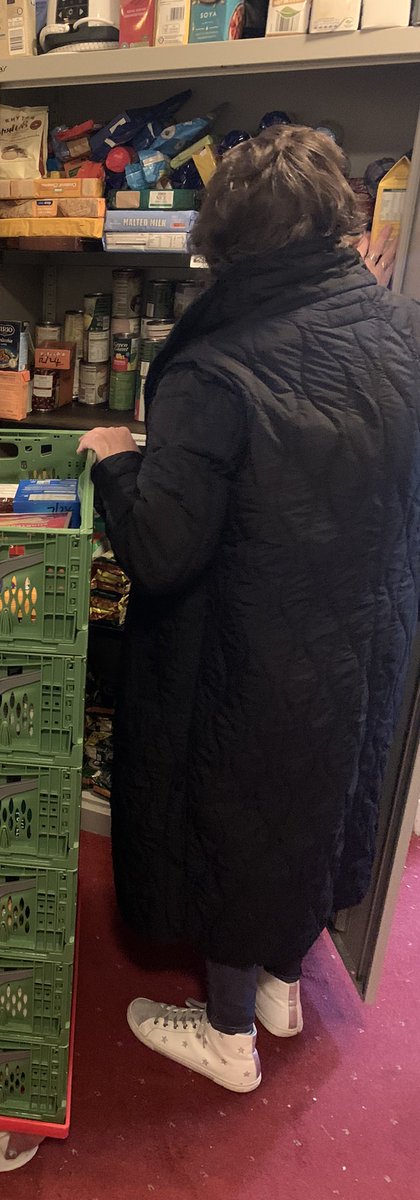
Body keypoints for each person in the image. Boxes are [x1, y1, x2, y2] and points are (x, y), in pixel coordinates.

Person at [78, 126, 419, 1093]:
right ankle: (280, 984)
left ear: (225, 246)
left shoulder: (215, 370)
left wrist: (117, 458)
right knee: (309, 812)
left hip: (252, 646)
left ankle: (229, 1036)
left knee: (239, 820)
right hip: (360, 627)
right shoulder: (391, 321)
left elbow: (160, 548)